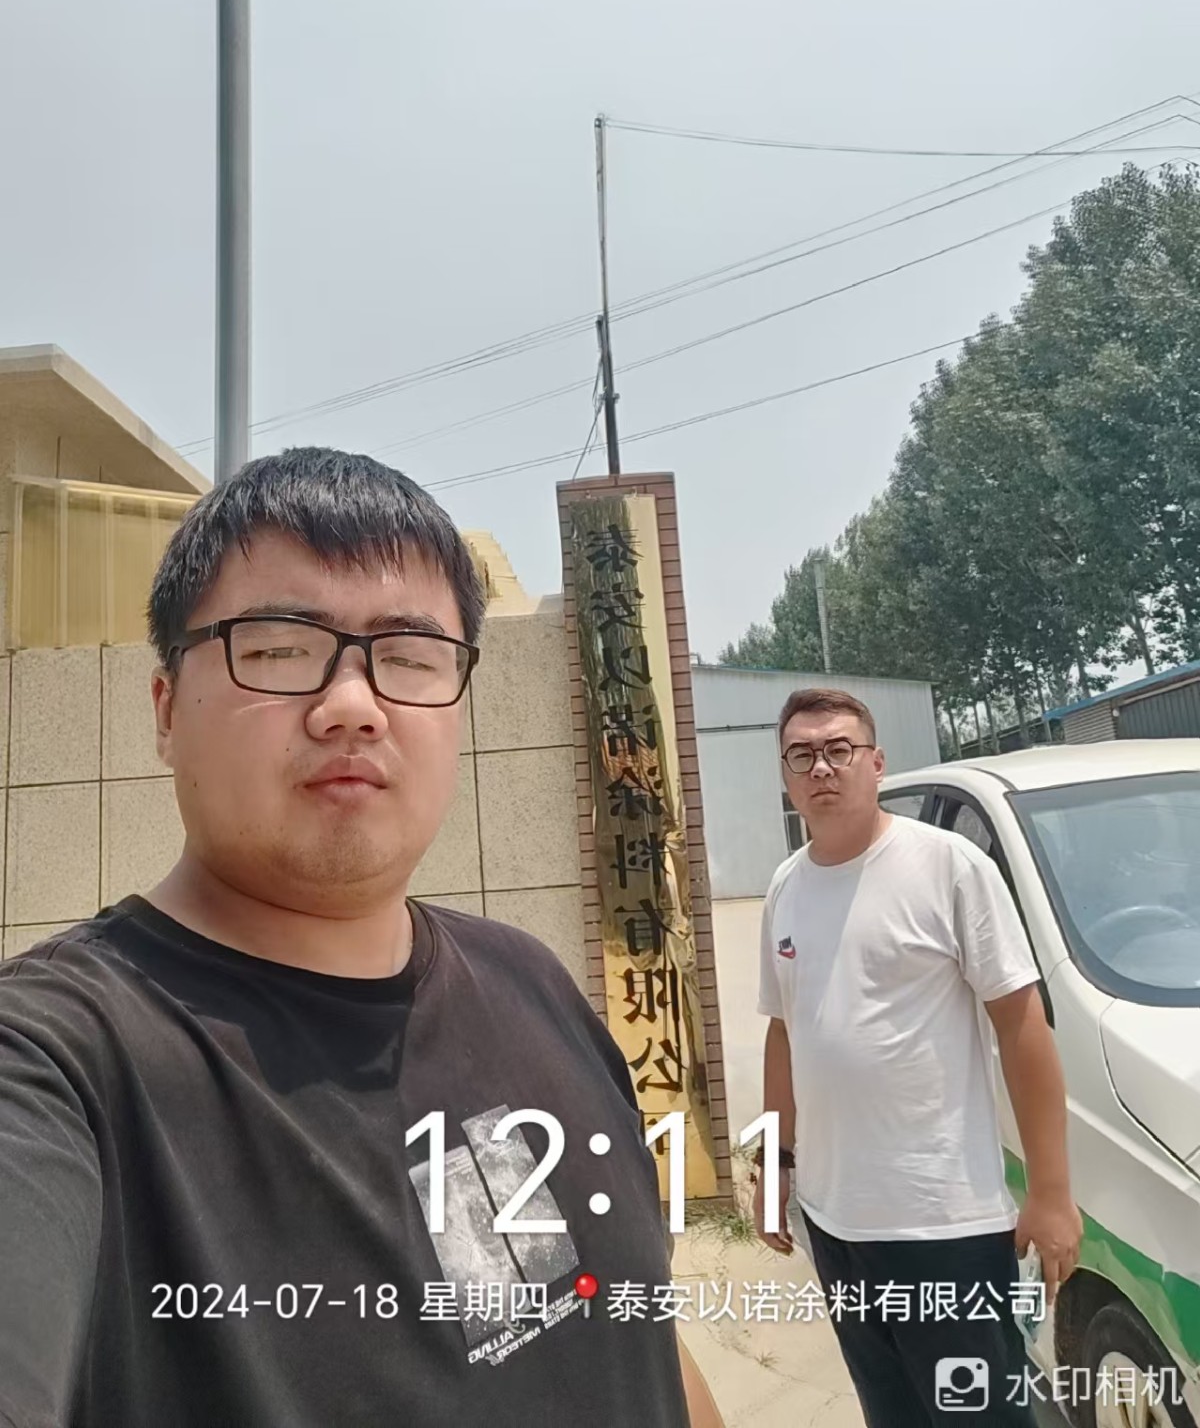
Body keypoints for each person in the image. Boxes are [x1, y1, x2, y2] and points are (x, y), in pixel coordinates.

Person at [0, 447, 721, 1428]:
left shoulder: (533, 983)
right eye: (279, 648)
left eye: (411, 656)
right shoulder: (58, 1067)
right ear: (166, 710)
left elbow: (636, 1332)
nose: (352, 706)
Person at [753, 687, 1082, 1426]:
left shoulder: (948, 867)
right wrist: (776, 1165)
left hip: (944, 1228)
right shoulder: (786, 886)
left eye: (839, 749)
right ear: (785, 776)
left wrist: (1051, 1192)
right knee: (891, 1410)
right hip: (836, 1222)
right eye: (802, 755)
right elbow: (784, 1032)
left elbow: (1022, 1026)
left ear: (876, 763)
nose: (821, 767)